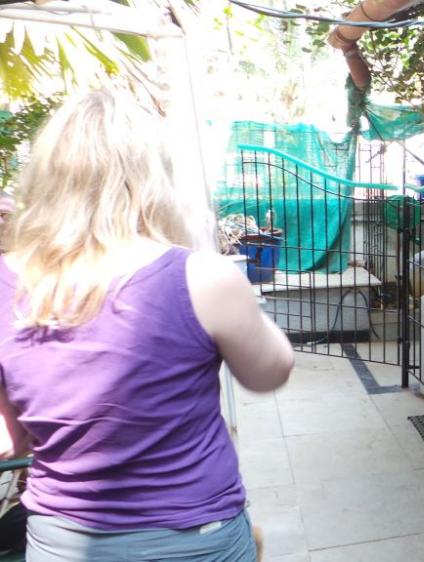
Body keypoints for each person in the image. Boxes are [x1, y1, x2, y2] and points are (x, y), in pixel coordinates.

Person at [0, 89, 294, 560]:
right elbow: (269, 373)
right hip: (194, 541)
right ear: (154, 178)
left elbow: (9, 440)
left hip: (60, 541)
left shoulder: (6, 282)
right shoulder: (202, 276)